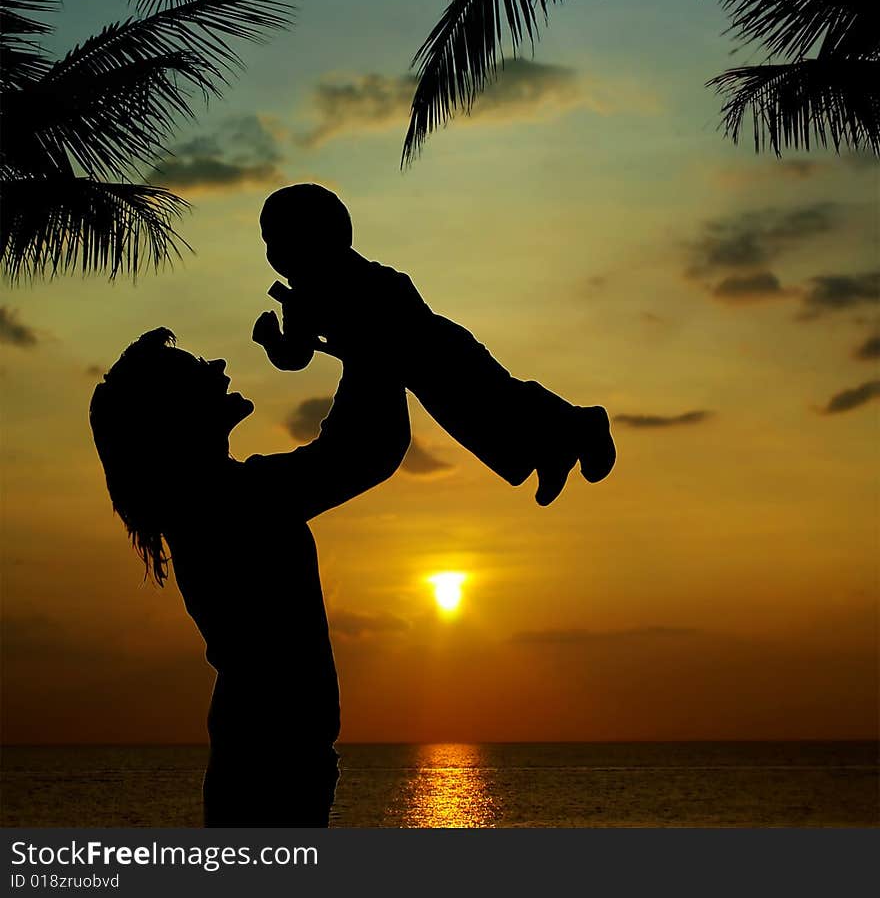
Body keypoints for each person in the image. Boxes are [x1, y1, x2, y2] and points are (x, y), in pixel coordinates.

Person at [89, 325, 410, 827]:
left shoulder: (213, 501)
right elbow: (368, 448)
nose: (216, 367)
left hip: (264, 759)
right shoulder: (230, 503)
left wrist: (361, 349)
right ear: (176, 416)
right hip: (270, 766)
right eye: (197, 371)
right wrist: (368, 341)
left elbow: (361, 446)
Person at [253, 184, 615, 507]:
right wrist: (282, 337)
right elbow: (299, 353)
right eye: (270, 242)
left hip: (437, 353)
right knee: (478, 420)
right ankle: (549, 454)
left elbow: (306, 352)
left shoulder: (352, 283)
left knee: (495, 399)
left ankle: (581, 423)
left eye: (279, 239)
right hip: (416, 367)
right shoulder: (319, 291)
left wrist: (284, 336)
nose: (276, 253)